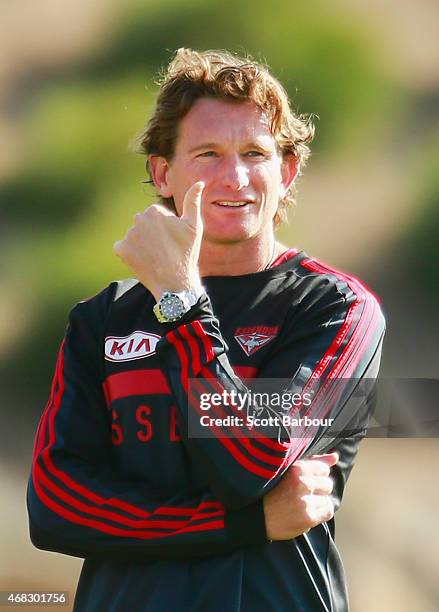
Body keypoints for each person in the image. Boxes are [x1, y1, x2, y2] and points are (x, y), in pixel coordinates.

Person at [27, 48, 386, 611]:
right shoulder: (101, 320)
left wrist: (181, 298)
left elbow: (252, 459)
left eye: (255, 153)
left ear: (287, 170)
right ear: (162, 172)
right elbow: (56, 507)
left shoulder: (335, 308)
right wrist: (245, 524)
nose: (235, 176)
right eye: (208, 153)